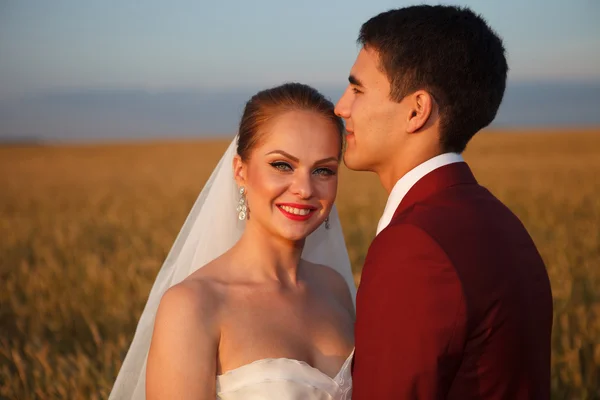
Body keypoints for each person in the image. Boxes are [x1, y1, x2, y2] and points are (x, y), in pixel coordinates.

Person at [334, 5, 553, 399]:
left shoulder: (415, 247)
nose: (341, 106)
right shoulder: (504, 222)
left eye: (358, 89)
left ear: (416, 110)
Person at [109, 83, 356, 400]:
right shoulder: (192, 305)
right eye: (282, 165)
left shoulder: (334, 288)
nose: (304, 188)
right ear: (240, 171)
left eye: (323, 170)